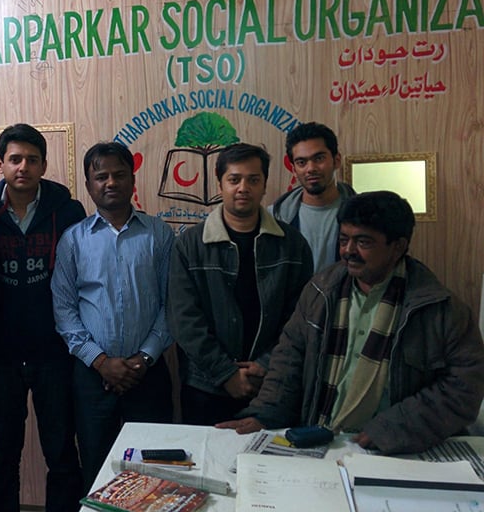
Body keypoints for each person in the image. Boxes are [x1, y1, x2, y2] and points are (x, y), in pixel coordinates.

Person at [220, 191, 484, 454]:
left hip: (394, 451)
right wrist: (265, 414)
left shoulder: (439, 309)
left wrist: (393, 428)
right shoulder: (320, 291)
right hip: (319, 443)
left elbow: (464, 387)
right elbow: (290, 359)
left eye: (363, 242)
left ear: (398, 247)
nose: (348, 251)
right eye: (344, 239)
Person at [52, 141, 175, 489]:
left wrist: (144, 358)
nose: (110, 183)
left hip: (148, 376)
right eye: (101, 176)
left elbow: (173, 304)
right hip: (92, 378)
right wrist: (101, 361)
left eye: (119, 175)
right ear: (89, 186)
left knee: (155, 471)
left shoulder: (159, 234)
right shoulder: (73, 240)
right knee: (97, 466)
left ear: (133, 181)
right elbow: (64, 309)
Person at [167, 143, 313, 426]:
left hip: (272, 385)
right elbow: (183, 319)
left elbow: (300, 319)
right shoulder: (189, 245)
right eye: (234, 179)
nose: (243, 187)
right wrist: (226, 374)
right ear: (220, 183)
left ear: (265, 185)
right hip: (205, 386)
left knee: (269, 468)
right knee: (204, 467)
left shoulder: (293, 245)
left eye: (253, 179)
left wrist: (266, 365)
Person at [0, 124, 85, 512]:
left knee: (60, 453)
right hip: (1, 353)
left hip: (54, 352)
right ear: (0, 163)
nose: (23, 167)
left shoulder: (67, 210)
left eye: (32, 160)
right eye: (15, 159)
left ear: (43, 164)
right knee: (2, 453)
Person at [269, 122, 355, 272]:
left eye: (319, 158)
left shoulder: (362, 215)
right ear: (294, 169)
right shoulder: (274, 217)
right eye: (301, 162)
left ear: (336, 160)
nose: (311, 169)